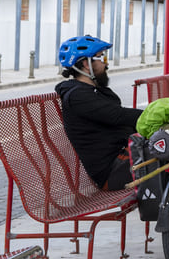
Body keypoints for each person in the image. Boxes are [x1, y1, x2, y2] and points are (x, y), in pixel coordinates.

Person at [55, 35, 142, 191]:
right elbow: (118, 115)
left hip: (123, 160)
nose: (106, 64)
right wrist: (157, 115)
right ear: (86, 64)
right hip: (114, 173)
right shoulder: (78, 96)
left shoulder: (92, 91)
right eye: (101, 58)